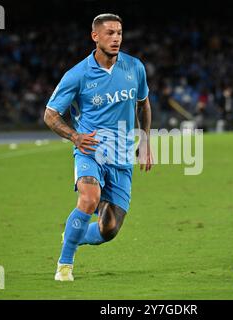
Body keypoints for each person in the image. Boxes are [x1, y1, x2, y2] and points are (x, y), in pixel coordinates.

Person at [44, 13, 153, 281]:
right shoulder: (77, 75)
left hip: (122, 156)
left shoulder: (134, 67)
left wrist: (146, 140)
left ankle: (76, 234)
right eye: (109, 33)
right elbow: (50, 114)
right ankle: (64, 265)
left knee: (109, 229)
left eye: (119, 33)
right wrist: (74, 137)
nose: (116, 38)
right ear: (95, 36)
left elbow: (143, 104)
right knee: (89, 197)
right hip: (90, 151)